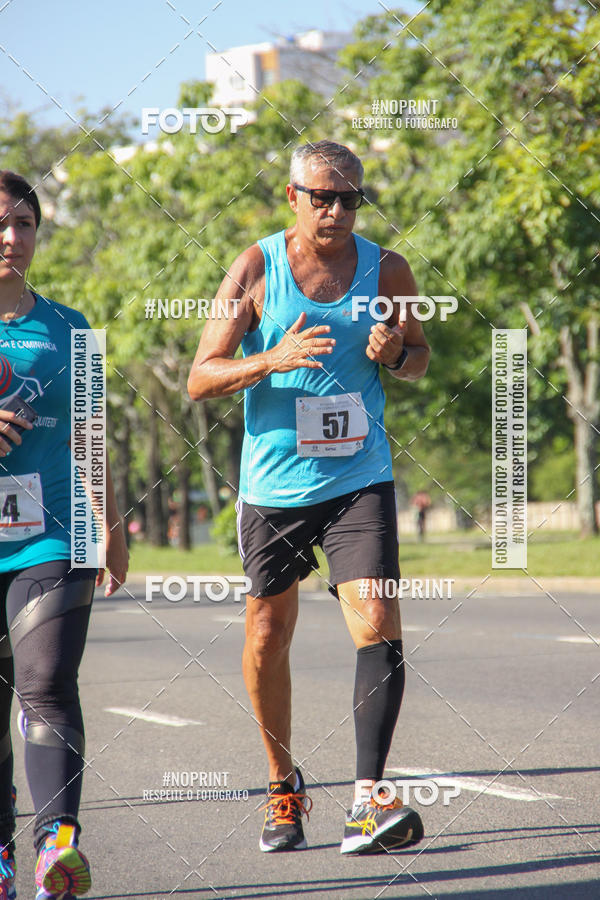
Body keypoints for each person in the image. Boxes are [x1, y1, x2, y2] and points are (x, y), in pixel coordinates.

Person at [188, 140, 430, 855]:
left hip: (359, 478)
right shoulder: (255, 268)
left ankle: (366, 802)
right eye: (320, 196)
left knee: (378, 615)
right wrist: (271, 357)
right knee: (267, 635)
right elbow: (200, 376)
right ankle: (282, 785)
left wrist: (397, 355)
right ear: (291, 197)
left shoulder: (389, 270)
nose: (334, 210)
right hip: (274, 488)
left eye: (348, 198)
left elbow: (418, 357)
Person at [0, 171, 129, 898]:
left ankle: (58, 846)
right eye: (0, 224)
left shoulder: (71, 328)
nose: (11, 237)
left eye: (24, 223)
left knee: (45, 684)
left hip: (54, 535)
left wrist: (109, 524)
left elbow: (89, 433)